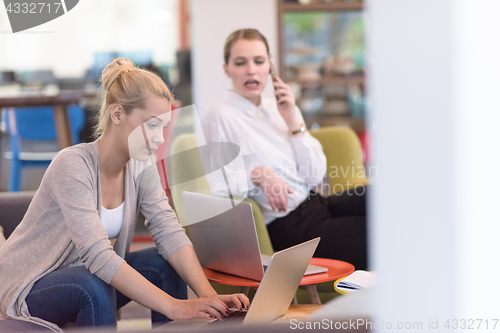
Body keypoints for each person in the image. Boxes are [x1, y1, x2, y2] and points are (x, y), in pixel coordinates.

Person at [0, 58, 249, 332]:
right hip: (28, 286)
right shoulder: (71, 165)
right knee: (92, 283)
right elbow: (97, 256)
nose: (159, 138)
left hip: (85, 280)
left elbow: (169, 230)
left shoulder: (140, 163)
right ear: (117, 115)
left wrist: (208, 295)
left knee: (161, 262)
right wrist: (173, 306)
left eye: (163, 127)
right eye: (151, 125)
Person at [198, 29, 368, 270]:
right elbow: (215, 187)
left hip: (319, 205)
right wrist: (257, 174)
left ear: (270, 66)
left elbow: (315, 175)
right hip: (291, 230)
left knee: (389, 199)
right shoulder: (218, 116)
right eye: (240, 62)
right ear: (226, 68)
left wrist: (292, 121)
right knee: (383, 233)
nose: (251, 70)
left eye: (259, 61)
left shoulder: (281, 107)